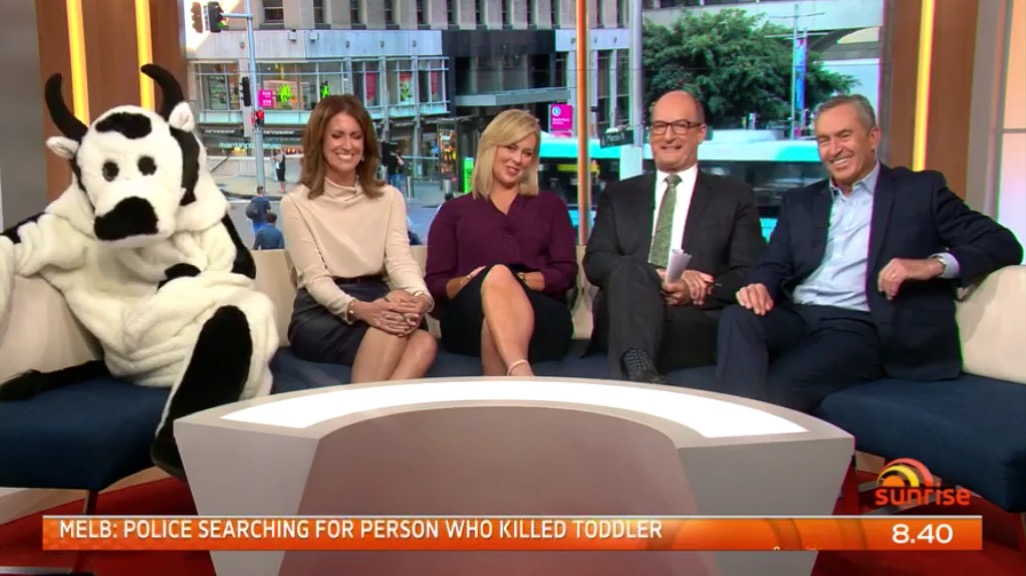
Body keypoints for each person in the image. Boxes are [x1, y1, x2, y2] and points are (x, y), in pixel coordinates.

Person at [716, 94, 1023, 413]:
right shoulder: (801, 201)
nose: (834, 150)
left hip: (859, 325)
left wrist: (934, 264)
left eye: (844, 136)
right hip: (799, 315)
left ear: (873, 137)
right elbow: (773, 263)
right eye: (824, 140)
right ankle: (739, 432)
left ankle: (742, 435)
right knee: (738, 318)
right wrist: (760, 285)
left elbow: (1002, 243)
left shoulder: (919, 191)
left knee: (781, 386)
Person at [583, 90, 766, 383]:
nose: (668, 136)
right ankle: (638, 363)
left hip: (689, 324)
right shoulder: (619, 194)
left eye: (680, 125)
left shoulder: (733, 196)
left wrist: (701, 287)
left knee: (632, 271)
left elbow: (749, 271)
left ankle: (636, 365)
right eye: (659, 126)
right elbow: (596, 261)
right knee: (628, 267)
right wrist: (655, 276)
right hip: (623, 317)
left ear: (700, 132)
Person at [280, 94, 437, 383]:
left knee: (423, 338)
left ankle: (370, 408)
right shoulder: (296, 203)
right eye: (337, 135)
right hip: (322, 312)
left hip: (378, 297)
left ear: (365, 145)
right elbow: (316, 280)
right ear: (320, 142)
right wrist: (361, 310)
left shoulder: (389, 198)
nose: (347, 145)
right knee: (402, 331)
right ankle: (370, 406)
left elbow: (400, 262)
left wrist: (422, 298)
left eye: (355, 136)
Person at [425, 109, 577, 377]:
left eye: (527, 153)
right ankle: (521, 374)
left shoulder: (551, 206)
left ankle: (510, 379)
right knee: (495, 281)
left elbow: (566, 272)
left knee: (496, 306)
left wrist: (515, 281)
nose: (518, 159)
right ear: (491, 147)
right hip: (468, 318)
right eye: (511, 147)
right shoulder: (453, 212)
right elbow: (436, 283)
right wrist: (472, 282)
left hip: (542, 318)